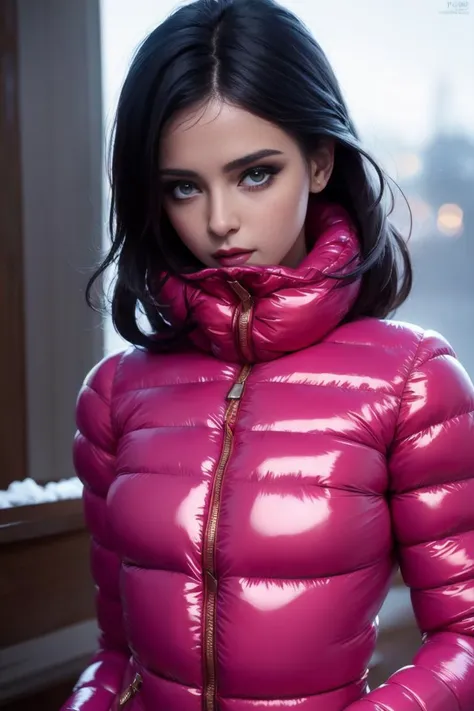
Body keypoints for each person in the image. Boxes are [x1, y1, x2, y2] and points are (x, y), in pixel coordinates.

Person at [62, 0, 474, 710]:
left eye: (255, 173)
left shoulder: (413, 382)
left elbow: (465, 635)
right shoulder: (114, 395)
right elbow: (116, 652)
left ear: (318, 162)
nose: (219, 221)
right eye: (184, 187)